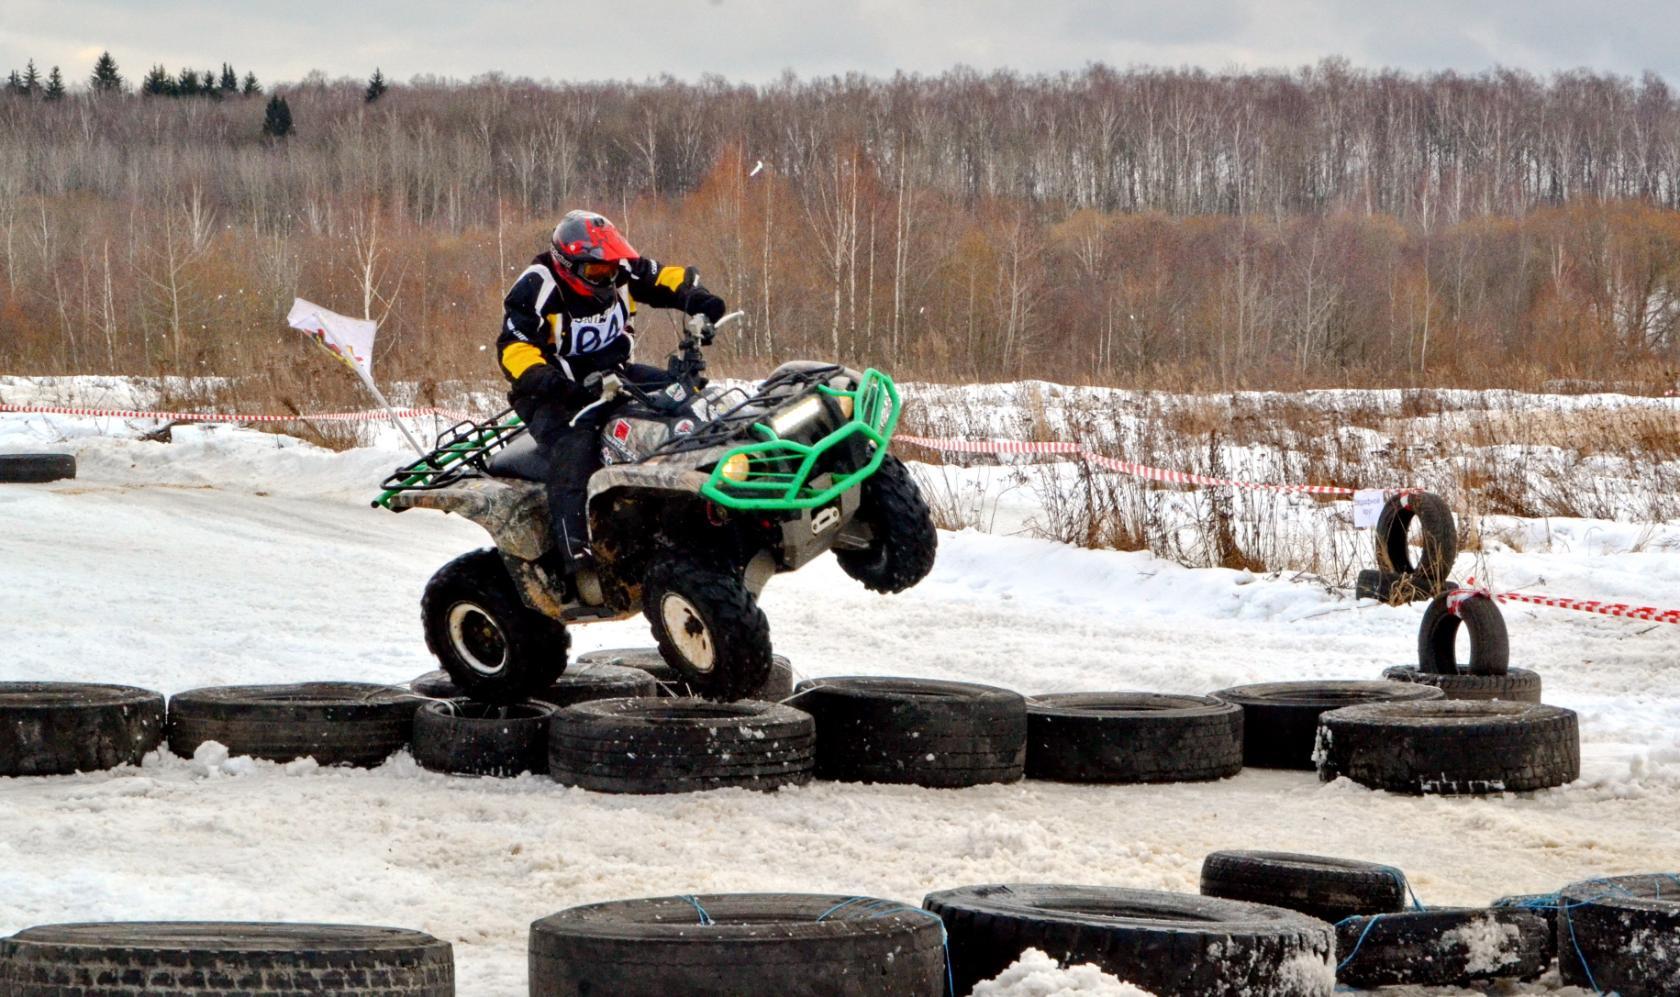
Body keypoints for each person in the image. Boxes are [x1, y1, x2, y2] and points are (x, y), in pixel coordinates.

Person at [497, 209, 726, 575]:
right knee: (575, 449)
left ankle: (712, 490)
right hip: (552, 392)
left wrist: (697, 297)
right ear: (567, 264)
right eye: (596, 271)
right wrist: (555, 384)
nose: (607, 276)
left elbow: (661, 275)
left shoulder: (619, 269)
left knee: (687, 398)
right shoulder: (537, 285)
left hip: (614, 374)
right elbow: (514, 347)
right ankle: (577, 551)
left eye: (611, 268)